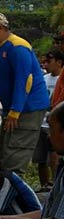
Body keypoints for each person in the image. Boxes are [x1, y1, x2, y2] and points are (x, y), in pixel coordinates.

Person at [0, 12, 50, 173]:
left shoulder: (18, 48)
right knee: (5, 152)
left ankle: (13, 194)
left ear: (0, 28)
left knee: (15, 156)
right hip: (11, 109)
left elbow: (24, 81)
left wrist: (16, 111)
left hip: (28, 108)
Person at [34, 50, 64, 189]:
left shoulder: (61, 79)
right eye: (44, 62)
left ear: (59, 62)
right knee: (40, 157)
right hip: (41, 122)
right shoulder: (44, 79)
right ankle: (44, 184)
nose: (45, 65)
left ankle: (56, 181)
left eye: (49, 61)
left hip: (56, 123)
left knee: (55, 155)